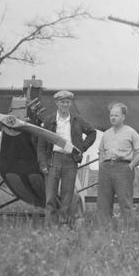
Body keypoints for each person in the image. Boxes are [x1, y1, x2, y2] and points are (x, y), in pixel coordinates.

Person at [37, 90, 97, 227]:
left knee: (67, 195)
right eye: (62, 102)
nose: (65, 104)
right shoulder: (49, 120)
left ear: (70, 103)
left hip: (70, 161)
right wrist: (43, 164)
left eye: (67, 102)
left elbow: (92, 132)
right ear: (57, 103)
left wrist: (81, 148)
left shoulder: (77, 119)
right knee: (50, 196)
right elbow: (41, 144)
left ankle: (63, 224)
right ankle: (51, 226)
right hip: (53, 160)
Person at [96, 103, 139, 229]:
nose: (113, 118)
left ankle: (128, 231)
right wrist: (101, 165)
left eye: (116, 115)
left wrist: (131, 166)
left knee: (125, 201)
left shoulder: (131, 132)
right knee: (103, 202)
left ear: (123, 117)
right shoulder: (106, 133)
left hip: (123, 168)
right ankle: (104, 230)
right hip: (106, 168)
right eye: (111, 115)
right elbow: (101, 151)